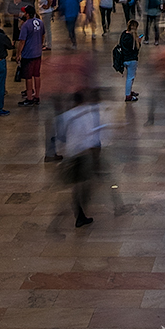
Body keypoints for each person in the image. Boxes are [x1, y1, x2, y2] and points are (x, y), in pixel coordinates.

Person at [56, 91, 104, 228]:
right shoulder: (85, 115)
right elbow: (91, 136)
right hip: (81, 155)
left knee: (78, 185)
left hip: (70, 155)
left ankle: (79, 212)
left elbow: (60, 136)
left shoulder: (67, 116)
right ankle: (79, 212)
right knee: (85, 184)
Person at [113, 21, 140, 102]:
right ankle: (128, 96)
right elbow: (136, 51)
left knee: (129, 78)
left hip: (124, 59)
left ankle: (129, 91)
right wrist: (139, 42)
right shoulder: (133, 38)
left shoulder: (124, 34)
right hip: (132, 60)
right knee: (130, 78)